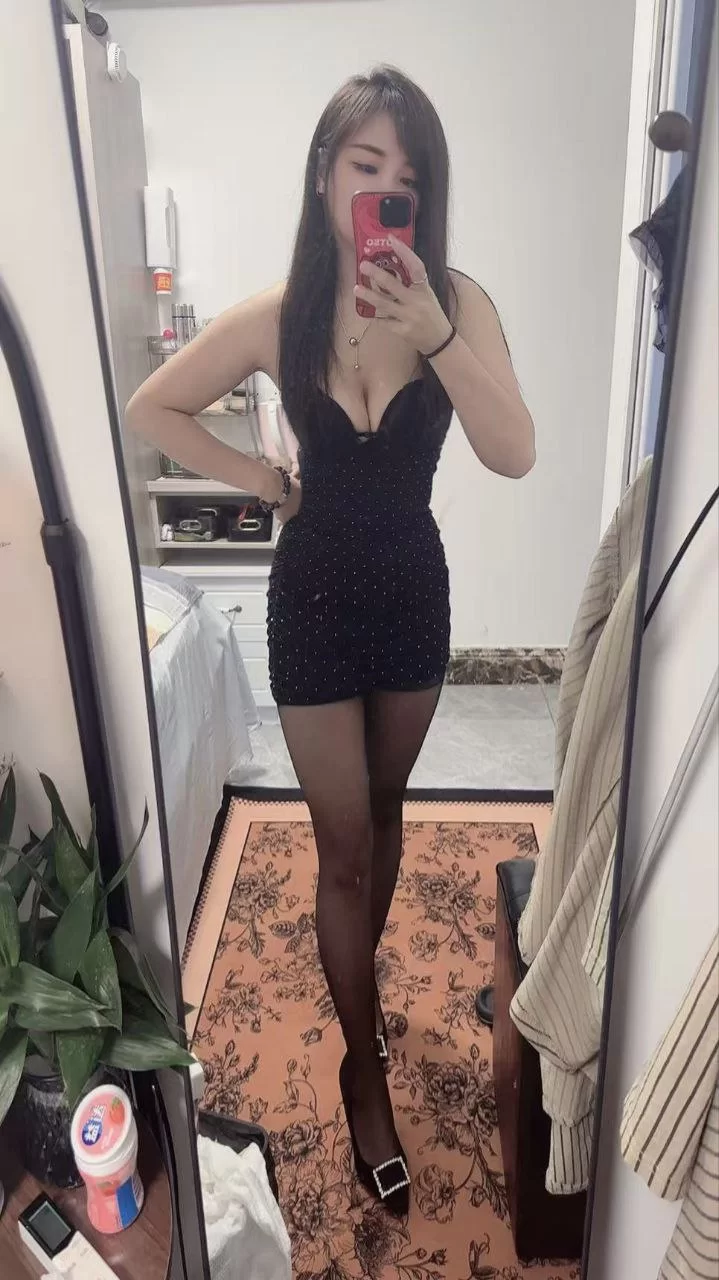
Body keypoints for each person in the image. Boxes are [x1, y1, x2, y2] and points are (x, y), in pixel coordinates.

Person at [127, 65, 535, 1216]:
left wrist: (435, 333)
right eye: (366, 167)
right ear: (323, 177)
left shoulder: (457, 303)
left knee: (387, 813)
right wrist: (261, 480)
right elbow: (152, 406)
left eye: (409, 177)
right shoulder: (280, 312)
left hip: (411, 597)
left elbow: (513, 450)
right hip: (309, 599)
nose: (386, 193)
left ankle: (361, 989)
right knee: (342, 846)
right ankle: (364, 1067)